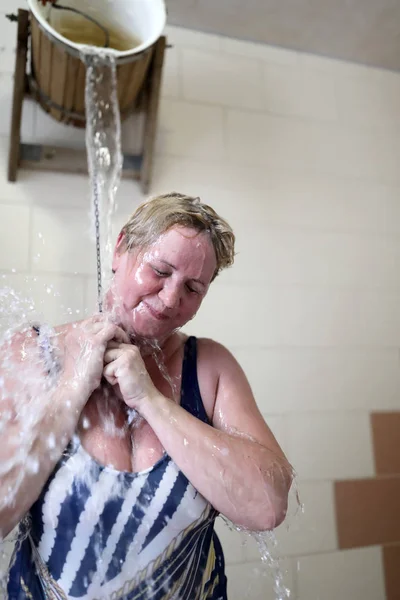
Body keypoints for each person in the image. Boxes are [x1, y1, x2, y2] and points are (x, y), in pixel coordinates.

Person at [1, 193, 292, 599]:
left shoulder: (209, 369)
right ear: (122, 248)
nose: (172, 298)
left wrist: (152, 401)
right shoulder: (35, 353)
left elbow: (268, 505)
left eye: (192, 287)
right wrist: (70, 390)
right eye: (159, 270)